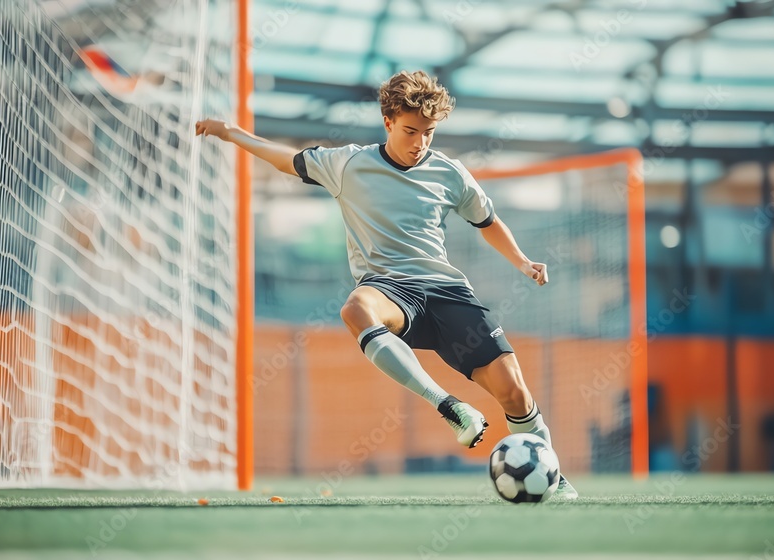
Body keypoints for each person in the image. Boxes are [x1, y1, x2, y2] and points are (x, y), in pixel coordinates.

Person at [197, 70, 576, 497]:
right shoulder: (349, 164)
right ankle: (450, 407)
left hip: (447, 292)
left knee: (515, 393)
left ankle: (555, 481)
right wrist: (231, 134)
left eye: (429, 133)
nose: (420, 143)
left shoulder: (450, 174)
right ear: (388, 122)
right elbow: (285, 158)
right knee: (356, 309)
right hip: (391, 289)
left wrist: (523, 261)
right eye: (411, 131)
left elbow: (487, 222)